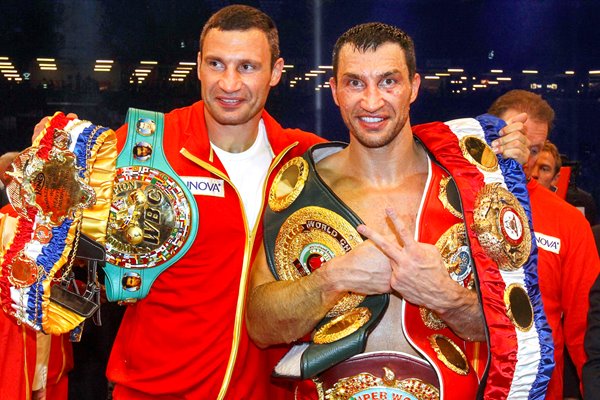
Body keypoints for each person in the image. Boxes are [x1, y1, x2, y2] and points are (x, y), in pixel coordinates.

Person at [29, 5, 325, 399]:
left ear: (275, 71)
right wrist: (35, 162)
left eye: (247, 67)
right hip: (152, 390)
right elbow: (37, 202)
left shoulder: (306, 159)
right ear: (199, 65)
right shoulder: (145, 145)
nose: (229, 83)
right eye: (217, 64)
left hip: (267, 390)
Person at [247, 23, 549, 400]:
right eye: (355, 83)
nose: (371, 101)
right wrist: (333, 278)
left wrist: (445, 296)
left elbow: (515, 331)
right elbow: (260, 326)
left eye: (388, 82)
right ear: (335, 91)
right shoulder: (305, 187)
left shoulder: (465, 186)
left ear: (414, 87)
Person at [488, 89, 600, 399]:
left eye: (535, 148)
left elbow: (586, 332)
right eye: (515, 138)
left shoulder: (569, 223)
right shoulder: (453, 202)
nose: (524, 156)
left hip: (538, 389)